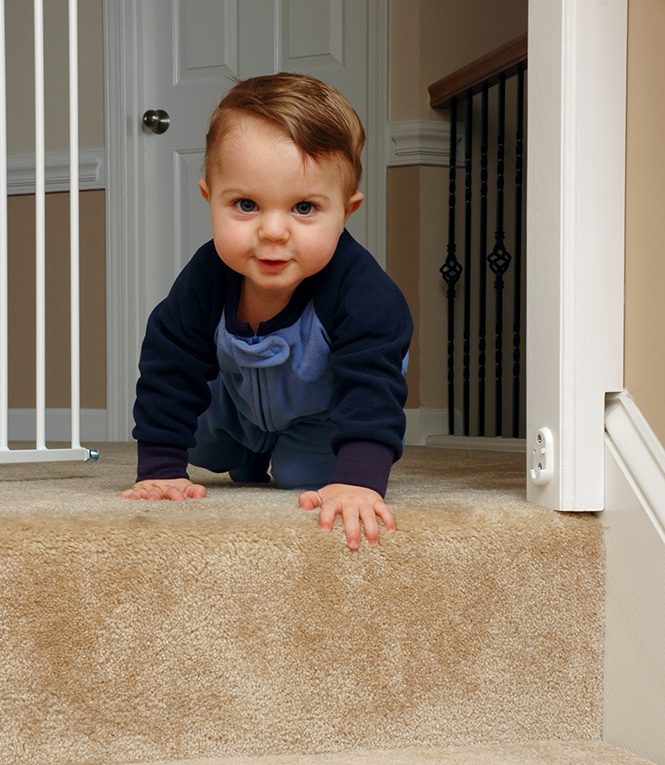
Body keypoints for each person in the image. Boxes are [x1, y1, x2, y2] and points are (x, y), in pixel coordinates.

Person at [119, 72, 413, 550]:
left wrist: (359, 477)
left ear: (346, 210)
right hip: (237, 404)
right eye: (247, 204)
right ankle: (248, 451)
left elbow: (371, 388)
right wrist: (161, 469)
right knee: (202, 444)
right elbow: (169, 366)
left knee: (304, 476)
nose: (273, 231)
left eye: (303, 208)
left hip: (326, 411)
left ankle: (285, 452)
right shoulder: (206, 278)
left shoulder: (364, 293)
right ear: (209, 198)